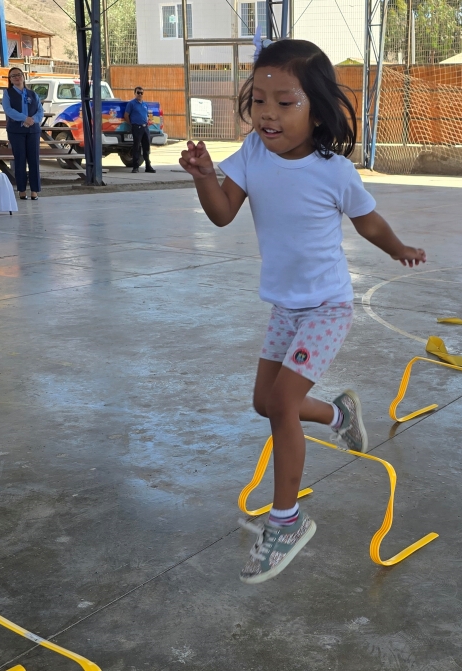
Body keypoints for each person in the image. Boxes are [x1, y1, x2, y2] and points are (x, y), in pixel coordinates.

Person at [179, 39, 426, 584]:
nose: (268, 113)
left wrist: (399, 248)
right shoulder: (251, 153)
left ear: (316, 108)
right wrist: (202, 175)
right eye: (260, 99)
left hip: (328, 306)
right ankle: (339, 415)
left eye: (285, 102)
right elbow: (221, 215)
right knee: (264, 403)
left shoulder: (332, 169)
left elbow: (369, 222)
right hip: (286, 308)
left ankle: (287, 521)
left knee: (283, 406)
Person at [2, 67, 43, 200]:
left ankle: (35, 190)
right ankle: (21, 190)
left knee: (34, 160)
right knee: (20, 160)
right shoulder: (8, 93)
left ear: (23, 77)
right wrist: (24, 118)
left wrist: (32, 120)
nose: (16, 78)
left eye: (18, 75)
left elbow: (40, 111)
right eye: (13, 76)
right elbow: (8, 110)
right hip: (16, 131)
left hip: (33, 130)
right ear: (10, 80)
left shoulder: (32, 94)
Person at [125, 86, 154, 173]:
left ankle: (148, 166)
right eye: (138, 93)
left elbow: (146, 115)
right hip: (136, 127)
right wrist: (132, 124)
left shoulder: (145, 104)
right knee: (136, 147)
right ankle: (135, 167)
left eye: (141, 93)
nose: (140, 95)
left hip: (145, 128)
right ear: (135, 93)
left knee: (146, 147)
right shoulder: (131, 104)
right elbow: (126, 115)